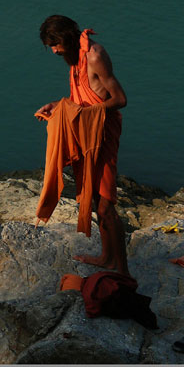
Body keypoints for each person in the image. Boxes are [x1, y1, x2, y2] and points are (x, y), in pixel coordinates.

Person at [35, 14, 129, 276]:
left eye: (55, 44)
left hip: (103, 134)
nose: (54, 51)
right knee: (95, 196)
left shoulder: (94, 56)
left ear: (65, 37)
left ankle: (121, 268)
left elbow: (120, 99)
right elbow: (83, 97)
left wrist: (84, 116)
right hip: (86, 133)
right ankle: (106, 257)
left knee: (106, 204)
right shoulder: (74, 58)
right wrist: (59, 106)